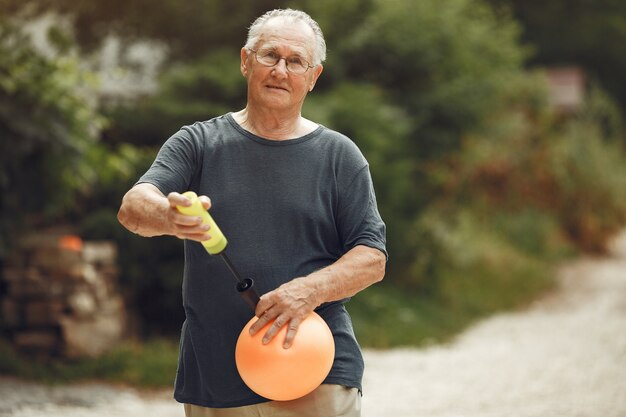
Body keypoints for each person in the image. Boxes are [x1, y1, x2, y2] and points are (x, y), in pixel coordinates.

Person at [117, 8, 387, 417]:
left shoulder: (340, 156)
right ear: (246, 61)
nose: (281, 69)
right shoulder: (197, 143)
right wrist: (171, 218)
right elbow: (133, 208)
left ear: (313, 77)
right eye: (269, 56)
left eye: (296, 61)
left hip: (316, 372)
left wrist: (308, 291)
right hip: (216, 376)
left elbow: (372, 259)